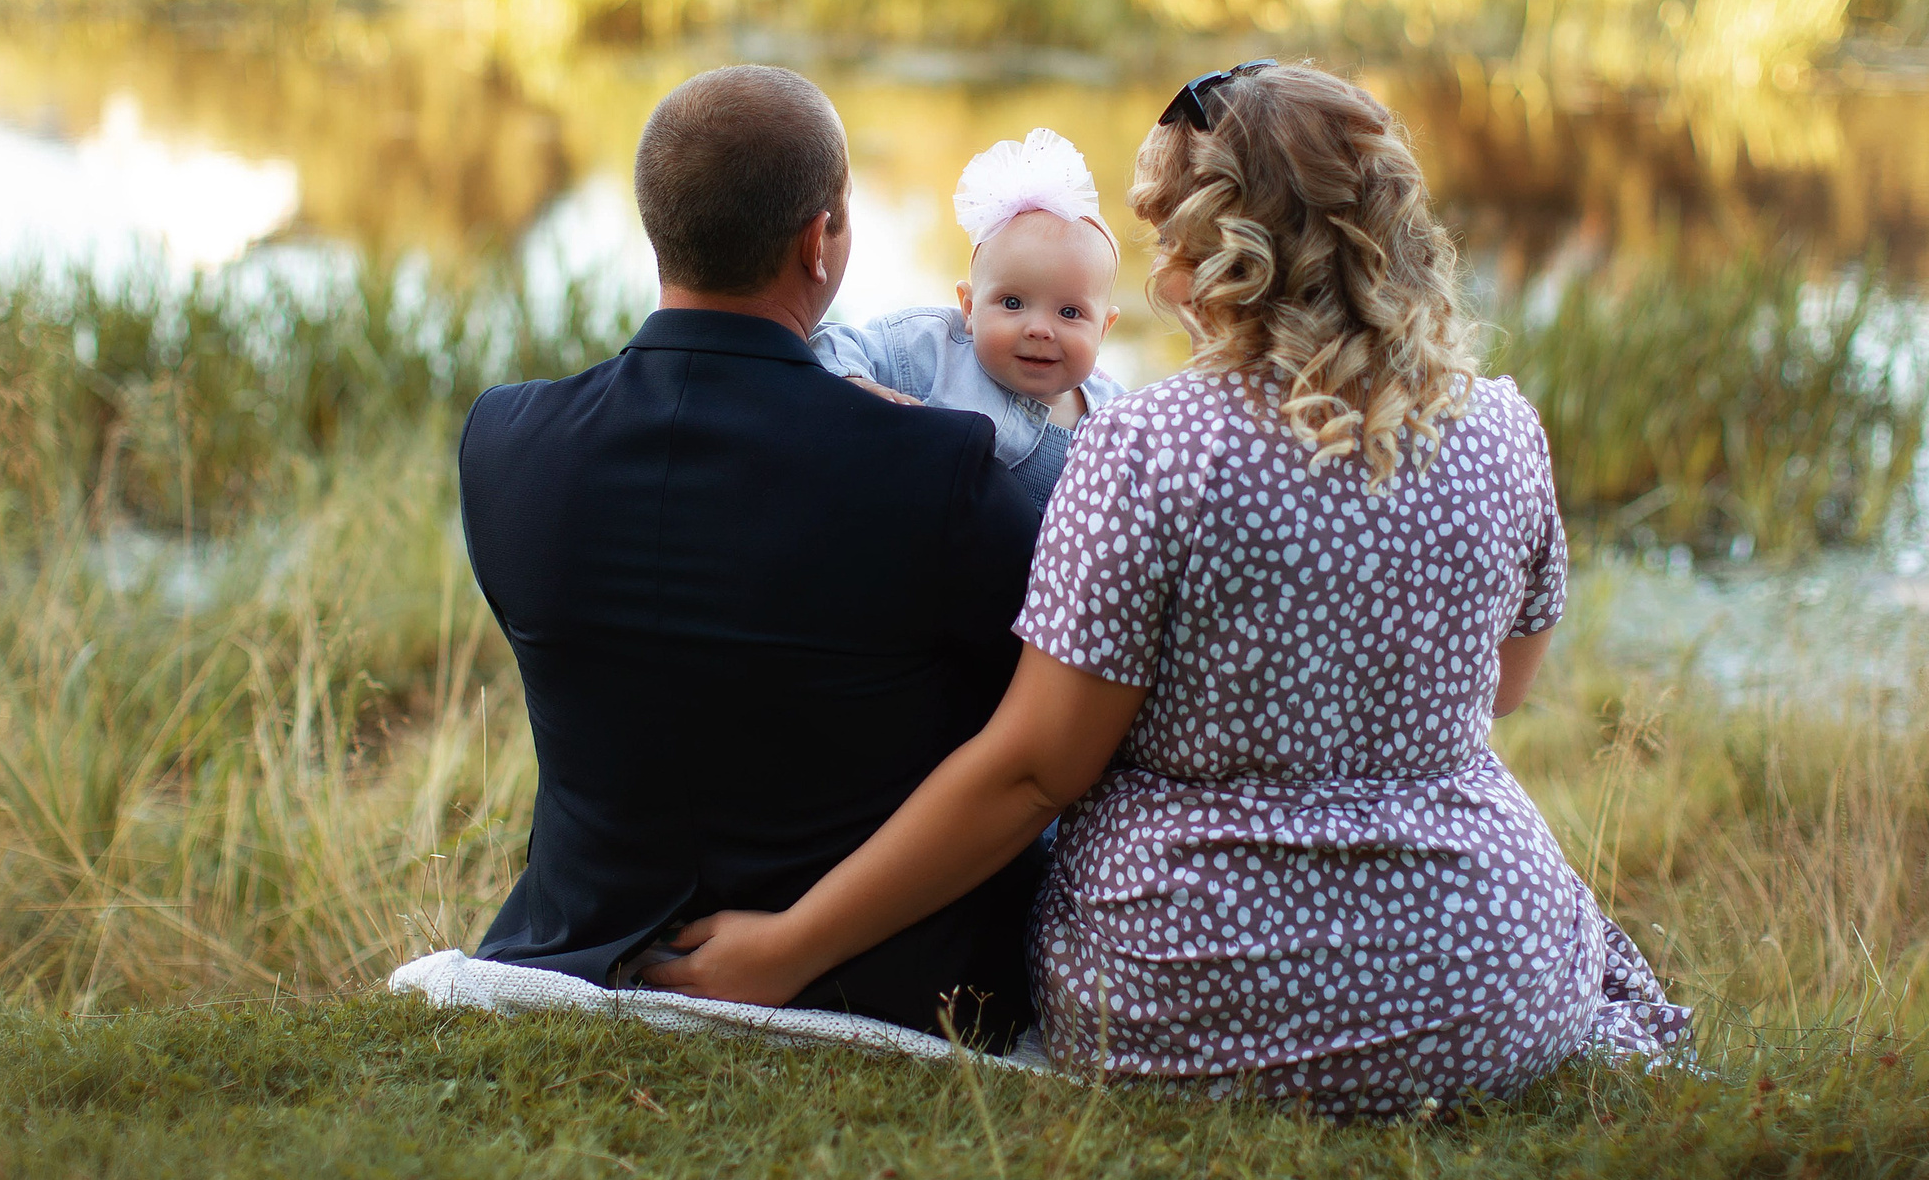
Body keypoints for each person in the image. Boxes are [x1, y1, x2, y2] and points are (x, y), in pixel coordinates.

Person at [646, 61, 1692, 1115]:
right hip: (1479, 993)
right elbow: (1504, 687)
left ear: (1215, 253)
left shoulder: (1147, 446)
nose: (1162, 275)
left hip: (1188, 994)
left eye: (1165, 236)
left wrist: (786, 949)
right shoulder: (1502, 427)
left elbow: (1032, 775)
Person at [458, 64, 1045, 1046]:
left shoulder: (504, 444)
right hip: (888, 988)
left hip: (579, 952)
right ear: (819, 241)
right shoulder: (939, 469)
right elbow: (1035, 743)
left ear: (659, 229)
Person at [810, 129, 1123, 511]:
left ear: (1104, 329)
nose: (1039, 329)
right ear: (970, 308)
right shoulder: (931, 347)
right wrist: (856, 383)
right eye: (1011, 303)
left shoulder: (1116, 417)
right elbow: (829, 342)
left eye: (1069, 313)